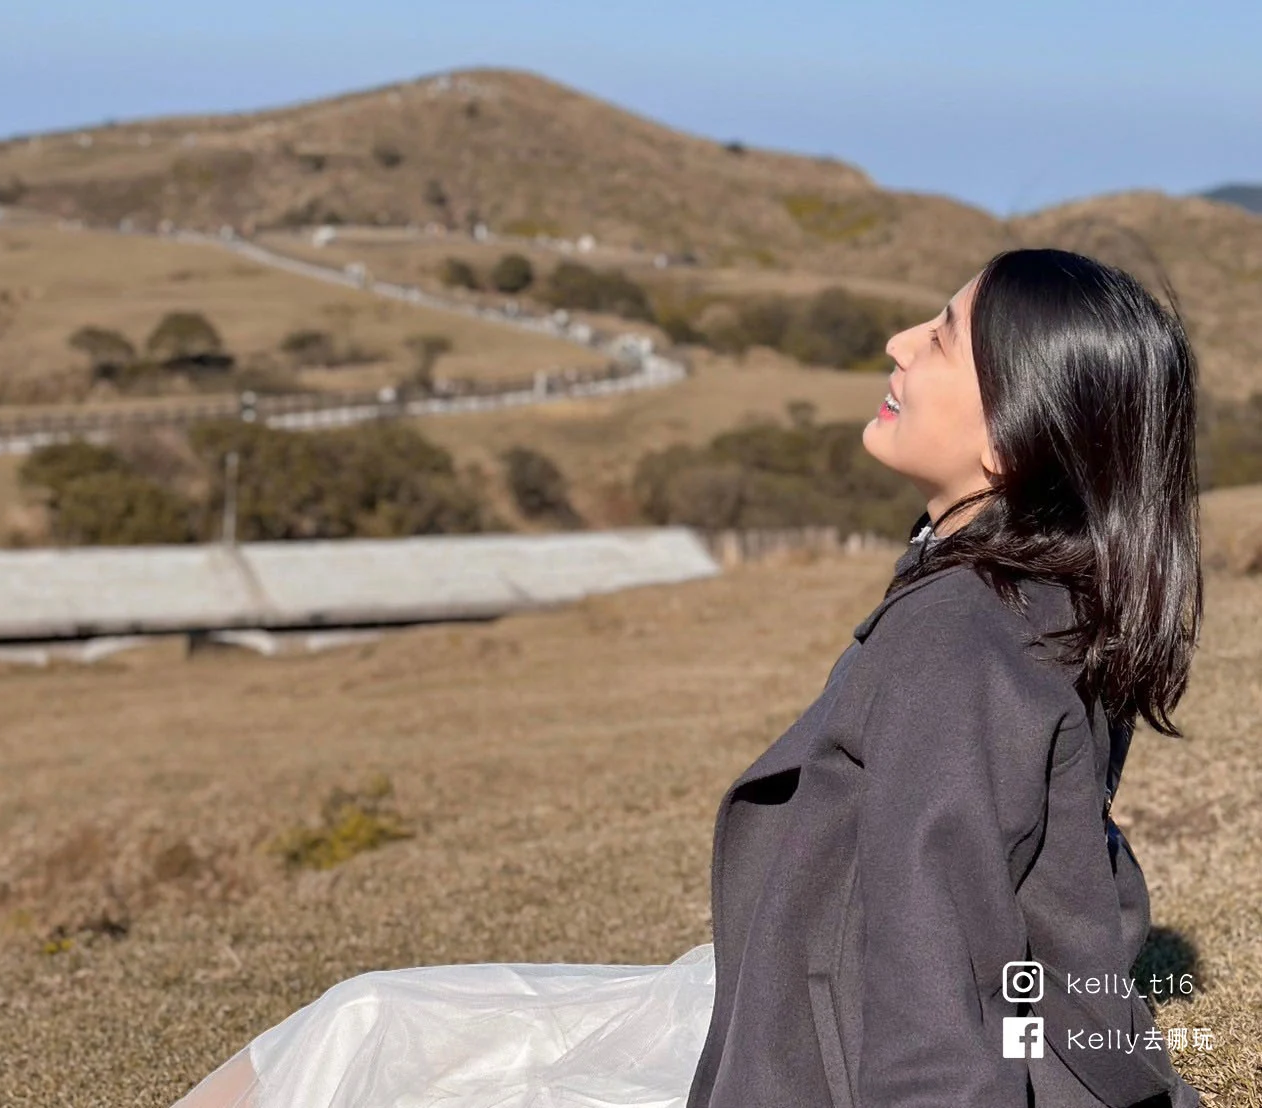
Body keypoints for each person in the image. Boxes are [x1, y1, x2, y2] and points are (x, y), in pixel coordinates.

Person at [169, 249, 1205, 1108]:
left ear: (1010, 434)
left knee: (350, 1056)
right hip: (789, 996)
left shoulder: (958, 636)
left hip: (822, 1062)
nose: (895, 344)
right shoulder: (1037, 591)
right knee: (368, 1015)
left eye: (937, 337)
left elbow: (931, 957)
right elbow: (1050, 879)